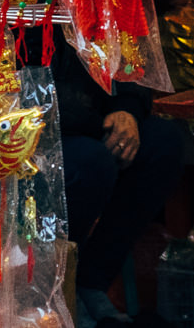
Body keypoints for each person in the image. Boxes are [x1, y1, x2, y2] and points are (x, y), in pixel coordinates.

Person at [49, 29, 185, 328]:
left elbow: (125, 57)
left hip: (94, 119)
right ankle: (57, 285)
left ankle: (90, 279)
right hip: (42, 128)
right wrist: (99, 121)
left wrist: (127, 109)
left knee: (164, 144)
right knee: (90, 163)